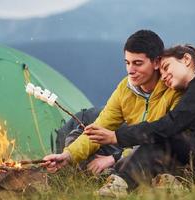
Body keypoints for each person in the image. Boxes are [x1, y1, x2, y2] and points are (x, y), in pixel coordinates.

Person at [86, 44, 195, 197]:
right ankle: (167, 183)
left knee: (165, 137)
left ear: (186, 59)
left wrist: (117, 136)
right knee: (169, 143)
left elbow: (168, 126)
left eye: (166, 67)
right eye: (161, 74)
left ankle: (118, 187)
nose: (163, 77)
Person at [42, 30, 182, 174]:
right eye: (127, 63)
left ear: (156, 62)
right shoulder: (125, 89)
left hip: (157, 155)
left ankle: (112, 175)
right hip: (128, 145)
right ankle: (92, 174)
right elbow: (101, 125)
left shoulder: (173, 89)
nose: (130, 70)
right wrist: (68, 156)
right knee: (79, 134)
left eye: (138, 63)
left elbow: (165, 139)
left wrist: (115, 157)